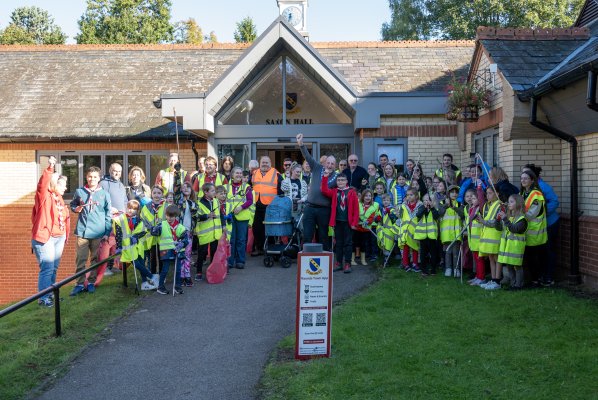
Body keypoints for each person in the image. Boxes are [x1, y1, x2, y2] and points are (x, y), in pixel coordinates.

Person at [31, 156, 69, 307]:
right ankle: (43, 298)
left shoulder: (59, 198)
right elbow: (42, 184)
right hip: (45, 238)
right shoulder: (44, 196)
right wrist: (50, 167)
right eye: (63, 185)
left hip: (59, 238)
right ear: (54, 184)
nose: (66, 188)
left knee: (53, 269)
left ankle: (51, 296)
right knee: (47, 268)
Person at [69, 166, 112, 296]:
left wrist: (106, 232)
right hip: (83, 231)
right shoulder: (80, 191)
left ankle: (92, 282)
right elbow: (73, 205)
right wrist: (77, 209)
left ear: (99, 178)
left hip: (98, 232)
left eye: (95, 177)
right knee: (80, 259)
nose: (92, 179)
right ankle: (80, 284)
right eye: (89, 176)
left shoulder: (104, 194)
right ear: (86, 177)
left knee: (94, 259)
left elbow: (108, 214)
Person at [296, 133, 337, 251]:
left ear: (335, 165)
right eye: (328, 163)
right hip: (309, 208)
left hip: (324, 210)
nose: (329, 165)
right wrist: (301, 144)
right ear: (324, 163)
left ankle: (323, 262)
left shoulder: (336, 177)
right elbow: (307, 156)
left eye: (332, 164)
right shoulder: (317, 167)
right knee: (307, 235)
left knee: (323, 236)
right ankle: (306, 260)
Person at [523, 164, 559, 286]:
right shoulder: (525, 191)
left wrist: (542, 212)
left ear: (532, 177)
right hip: (534, 227)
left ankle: (548, 277)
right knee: (537, 254)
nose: (523, 178)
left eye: (526, 175)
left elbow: (554, 201)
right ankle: (539, 277)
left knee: (547, 252)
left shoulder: (542, 188)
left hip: (549, 223)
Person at [113, 200, 157, 291]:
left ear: (137, 211)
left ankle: (144, 283)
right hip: (127, 248)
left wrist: (136, 237)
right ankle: (152, 276)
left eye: (134, 209)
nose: (131, 210)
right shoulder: (119, 219)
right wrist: (119, 247)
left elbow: (144, 231)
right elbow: (118, 234)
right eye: (129, 208)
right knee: (136, 264)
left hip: (137, 246)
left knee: (141, 263)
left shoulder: (139, 220)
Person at [321, 172, 359, 273]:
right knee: (338, 243)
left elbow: (356, 209)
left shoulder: (351, 192)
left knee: (348, 243)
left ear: (346, 181)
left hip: (348, 223)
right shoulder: (334, 192)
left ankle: (347, 263)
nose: (340, 182)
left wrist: (355, 223)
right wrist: (325, 177)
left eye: (342, 180)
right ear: (336, 182)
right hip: (337, 222)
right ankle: (338, 263)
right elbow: (324, 190)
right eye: (338, 180)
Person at [99, 162, 129, 276]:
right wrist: (109, 208)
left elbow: (125, 201)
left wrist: (126, 212)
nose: (116, 173)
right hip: (108, 218)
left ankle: (111, 266)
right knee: (107, 244)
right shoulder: (103, 183)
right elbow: (100, 199)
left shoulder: (121, 185)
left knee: (116, 243)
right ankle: (105, 268)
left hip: (120, 219)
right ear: (110, 171)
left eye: (119, 171)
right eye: (114, 170)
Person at [520, 169, 548, 287]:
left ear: (532, 180)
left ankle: (537, 281)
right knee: (530, 258)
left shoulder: (536, 194)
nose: (523, 181)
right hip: (527, 232)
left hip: (536, 233)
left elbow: (531, 214)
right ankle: (533, 280)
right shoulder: (523, 193)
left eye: (526, 178)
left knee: (535, 259)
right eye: (522, 178)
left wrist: (517, 213)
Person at [151, 204, 188, 295]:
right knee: (165, 269)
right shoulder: (162, 225)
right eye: (167, 215)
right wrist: (154, 229)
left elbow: (185, 239)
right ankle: (160, 287)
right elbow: (154, 233)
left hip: (177, 251)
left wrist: (182, 243)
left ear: (176, 216)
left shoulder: (180, 227)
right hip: (166, 251)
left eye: (172, 216)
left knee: (178, 269)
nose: (169, 218)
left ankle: (177, 287)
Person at [251, 156, 283, 256]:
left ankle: (271, 249)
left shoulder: (277, 174)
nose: (264, 164)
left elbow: (281, 192)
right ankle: (259, 248)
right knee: (257, 228)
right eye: (263, 162)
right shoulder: (254, 173)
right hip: (256, 205)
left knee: (270, 228)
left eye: (266, 162)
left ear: (270, 163)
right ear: (260, 164)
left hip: (270, 207)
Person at [497, 194, 528, 290]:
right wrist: (499, 219)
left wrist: (505, 219)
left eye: (511, 202)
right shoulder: (510, 217)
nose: (509, 204)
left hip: (516, 247)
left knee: (517, 267)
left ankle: (518, 285)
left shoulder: (522, 219)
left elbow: (514, 229)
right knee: (510, 266)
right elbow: (501, 228)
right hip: (509, 247)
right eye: (509, 201)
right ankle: (513, 283)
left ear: (518, 204)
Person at [226, 167, 253, 269]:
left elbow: (250, 200)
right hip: (230, 217)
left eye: (240, 173)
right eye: (237, 173)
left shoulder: (247, 187)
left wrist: (241, 207)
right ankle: (230, 261)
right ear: (232, 175)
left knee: (241, 240)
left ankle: (240, 261)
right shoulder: (226, 187)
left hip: (242, 217)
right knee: (231, 239)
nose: (239, 175)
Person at [195, 183, 223, 280]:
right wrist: (207, 216)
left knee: (214, 253)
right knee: (202, 253)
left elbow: (221, 215)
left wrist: (223, 226)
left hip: (216, 232)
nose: (214, 192)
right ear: (206, 192)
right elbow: (196, 217)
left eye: (214, 190)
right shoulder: (199, 203)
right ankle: (198, 272)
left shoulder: (216, 201)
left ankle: (212, 270)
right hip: (204, 233)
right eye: (212, 191)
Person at [477, 186, 503, 290]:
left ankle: (497, 281)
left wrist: (483, 221)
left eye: (490, 193)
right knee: (491, 258)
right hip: (488, 236)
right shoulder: (487, 205)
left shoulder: (501, 205)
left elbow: (497, 221)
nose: (488, 195)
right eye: (487, 193)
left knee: (497, 258)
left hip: (496, 236)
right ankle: (493, 279)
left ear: (497, 193)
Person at [438, 185, 464, 277]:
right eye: (452, 192)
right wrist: (446, 205)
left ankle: (456, 268)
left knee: (456, 251)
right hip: (446, 233)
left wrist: (455, 208)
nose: (454, 194)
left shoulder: (460, 204)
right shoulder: (442, 202)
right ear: (448, 193)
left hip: (456, 232)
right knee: (448, 251)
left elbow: (462, 215)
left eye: (456, 192)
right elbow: (439, 213)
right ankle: (448, 268)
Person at [139, 185, 165, 276]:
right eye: (154, 193)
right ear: (151, 194)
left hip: (163, 236)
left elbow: (169, 218)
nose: (156, 195)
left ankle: (162, 275)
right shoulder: (146, 207)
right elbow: (143, 219)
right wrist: (151, 228)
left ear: (162, 194)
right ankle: (154, 275)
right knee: (152, 256)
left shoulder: (166, 206)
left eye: (159, 193)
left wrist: (161, 227)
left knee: (162, 256)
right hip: (151, 236)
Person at [414, 192, 440, 276]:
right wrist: (425, 208)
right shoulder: (421, 207)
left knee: (433, 254)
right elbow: (418, 215)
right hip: (423, 236)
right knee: (423, 254)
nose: (427, 202)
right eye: (425, 200)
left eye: (429, 200)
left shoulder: (435, 209)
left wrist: (432, 208)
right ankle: (424, 270)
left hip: (432, 236)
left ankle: (433, 269)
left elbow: (436, 216)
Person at [466, 187, 487, 286]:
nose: (472, 200)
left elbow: (482, 200)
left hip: (479, 239)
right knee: (476, 259)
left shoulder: (480, 208)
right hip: (473, 239)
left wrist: (479, 189)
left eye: (474, 198)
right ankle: (477, 276)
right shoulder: (471, 209)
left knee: (480, 259)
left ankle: (481, 277)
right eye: (472, 199)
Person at [178, 182, 197, 286]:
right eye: (183, 187)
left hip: (189, 232)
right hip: (179, 233)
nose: (185, 189)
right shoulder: (178, 202)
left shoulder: (193, 204)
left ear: (191, 190)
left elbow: (195, 217)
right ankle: (181, 276)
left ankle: (187, 275)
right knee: (181, 254)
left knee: (187, 255)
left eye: (188, 187)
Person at [398, 188, 422, 272]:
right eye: (407, 195)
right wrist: (399, 209)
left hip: (415, 230)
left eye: (411, 195)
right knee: (406, 247)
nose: (409, 197)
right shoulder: (403, 205)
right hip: (405, 230)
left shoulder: (420, 205)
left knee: (415, 247)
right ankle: (405, 263)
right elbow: (400, 216)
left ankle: (415, 263)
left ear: (416, 196)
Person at [356, 189, 380, 264]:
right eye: (366, 195)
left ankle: (374, 255)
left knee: (373, 241)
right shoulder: (358, 204)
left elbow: (377, 215)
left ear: (372, 197)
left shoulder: (376, 204)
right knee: (364, 241)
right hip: (360, 226)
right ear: (363, 196)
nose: (368, 197)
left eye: (370, 196)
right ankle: (367, 254)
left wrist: (370, 221)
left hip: (372, 226)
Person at [377, 194, 398, 258]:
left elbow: (395, 219)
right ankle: (385, 256)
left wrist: (391, 215)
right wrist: (377, 218)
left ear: (390, 201)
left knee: (389, 243)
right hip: (382, 230)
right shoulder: (381, 209)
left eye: (387, 200)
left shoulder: (392, 209)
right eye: (384, 200)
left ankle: (389, 256)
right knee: (383, 243)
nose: (386, 202)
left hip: (390, 230)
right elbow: (378, 217)